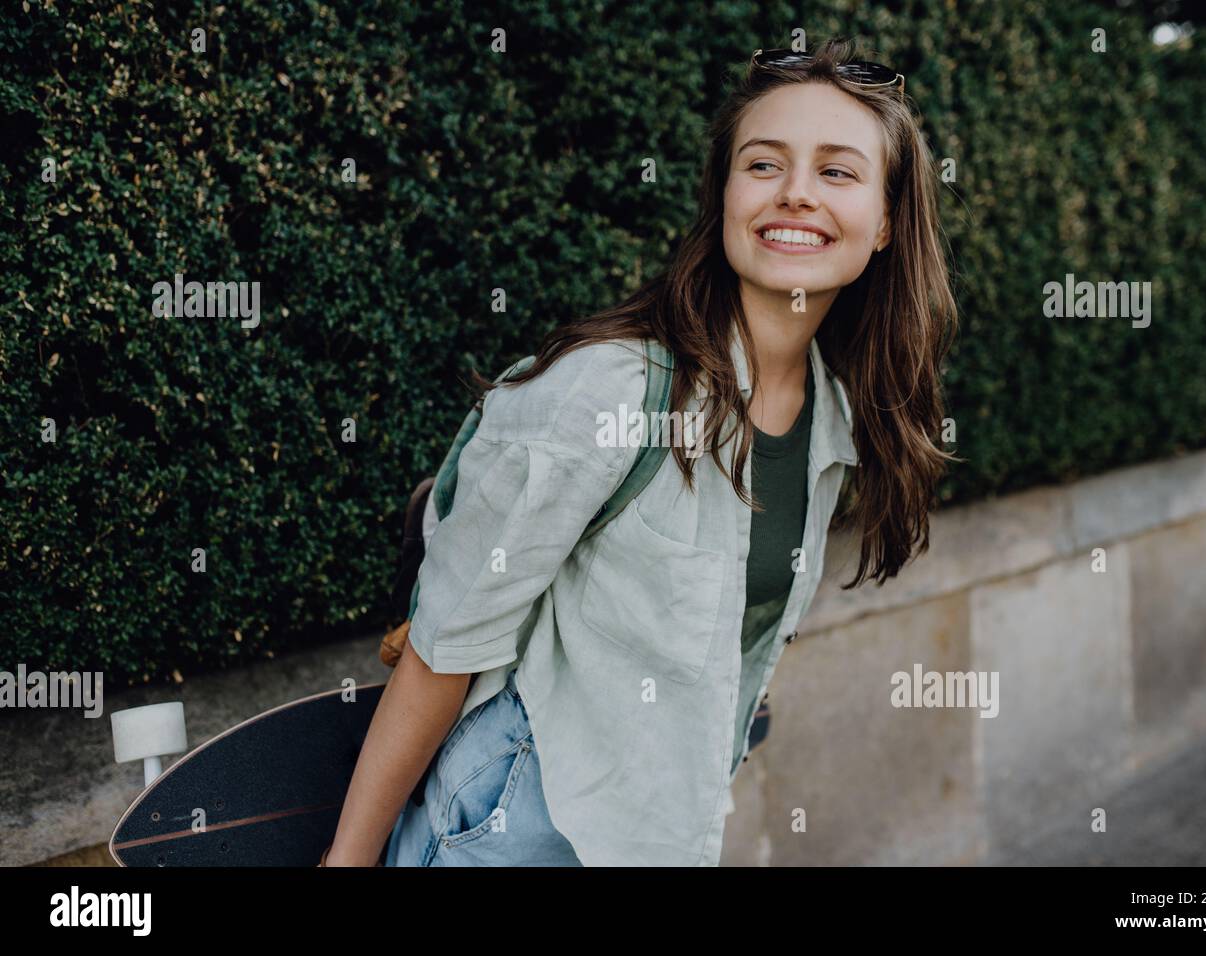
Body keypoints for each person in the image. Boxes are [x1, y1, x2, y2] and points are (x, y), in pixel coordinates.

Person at [322, 35, 958, 867]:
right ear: (726, 194)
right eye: (764, 165)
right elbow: (445, 650)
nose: (796, 194)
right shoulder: (611, 390)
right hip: (511, 832)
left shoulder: (832, 419)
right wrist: (348, 861)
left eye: (837, 172)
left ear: (884, 224)